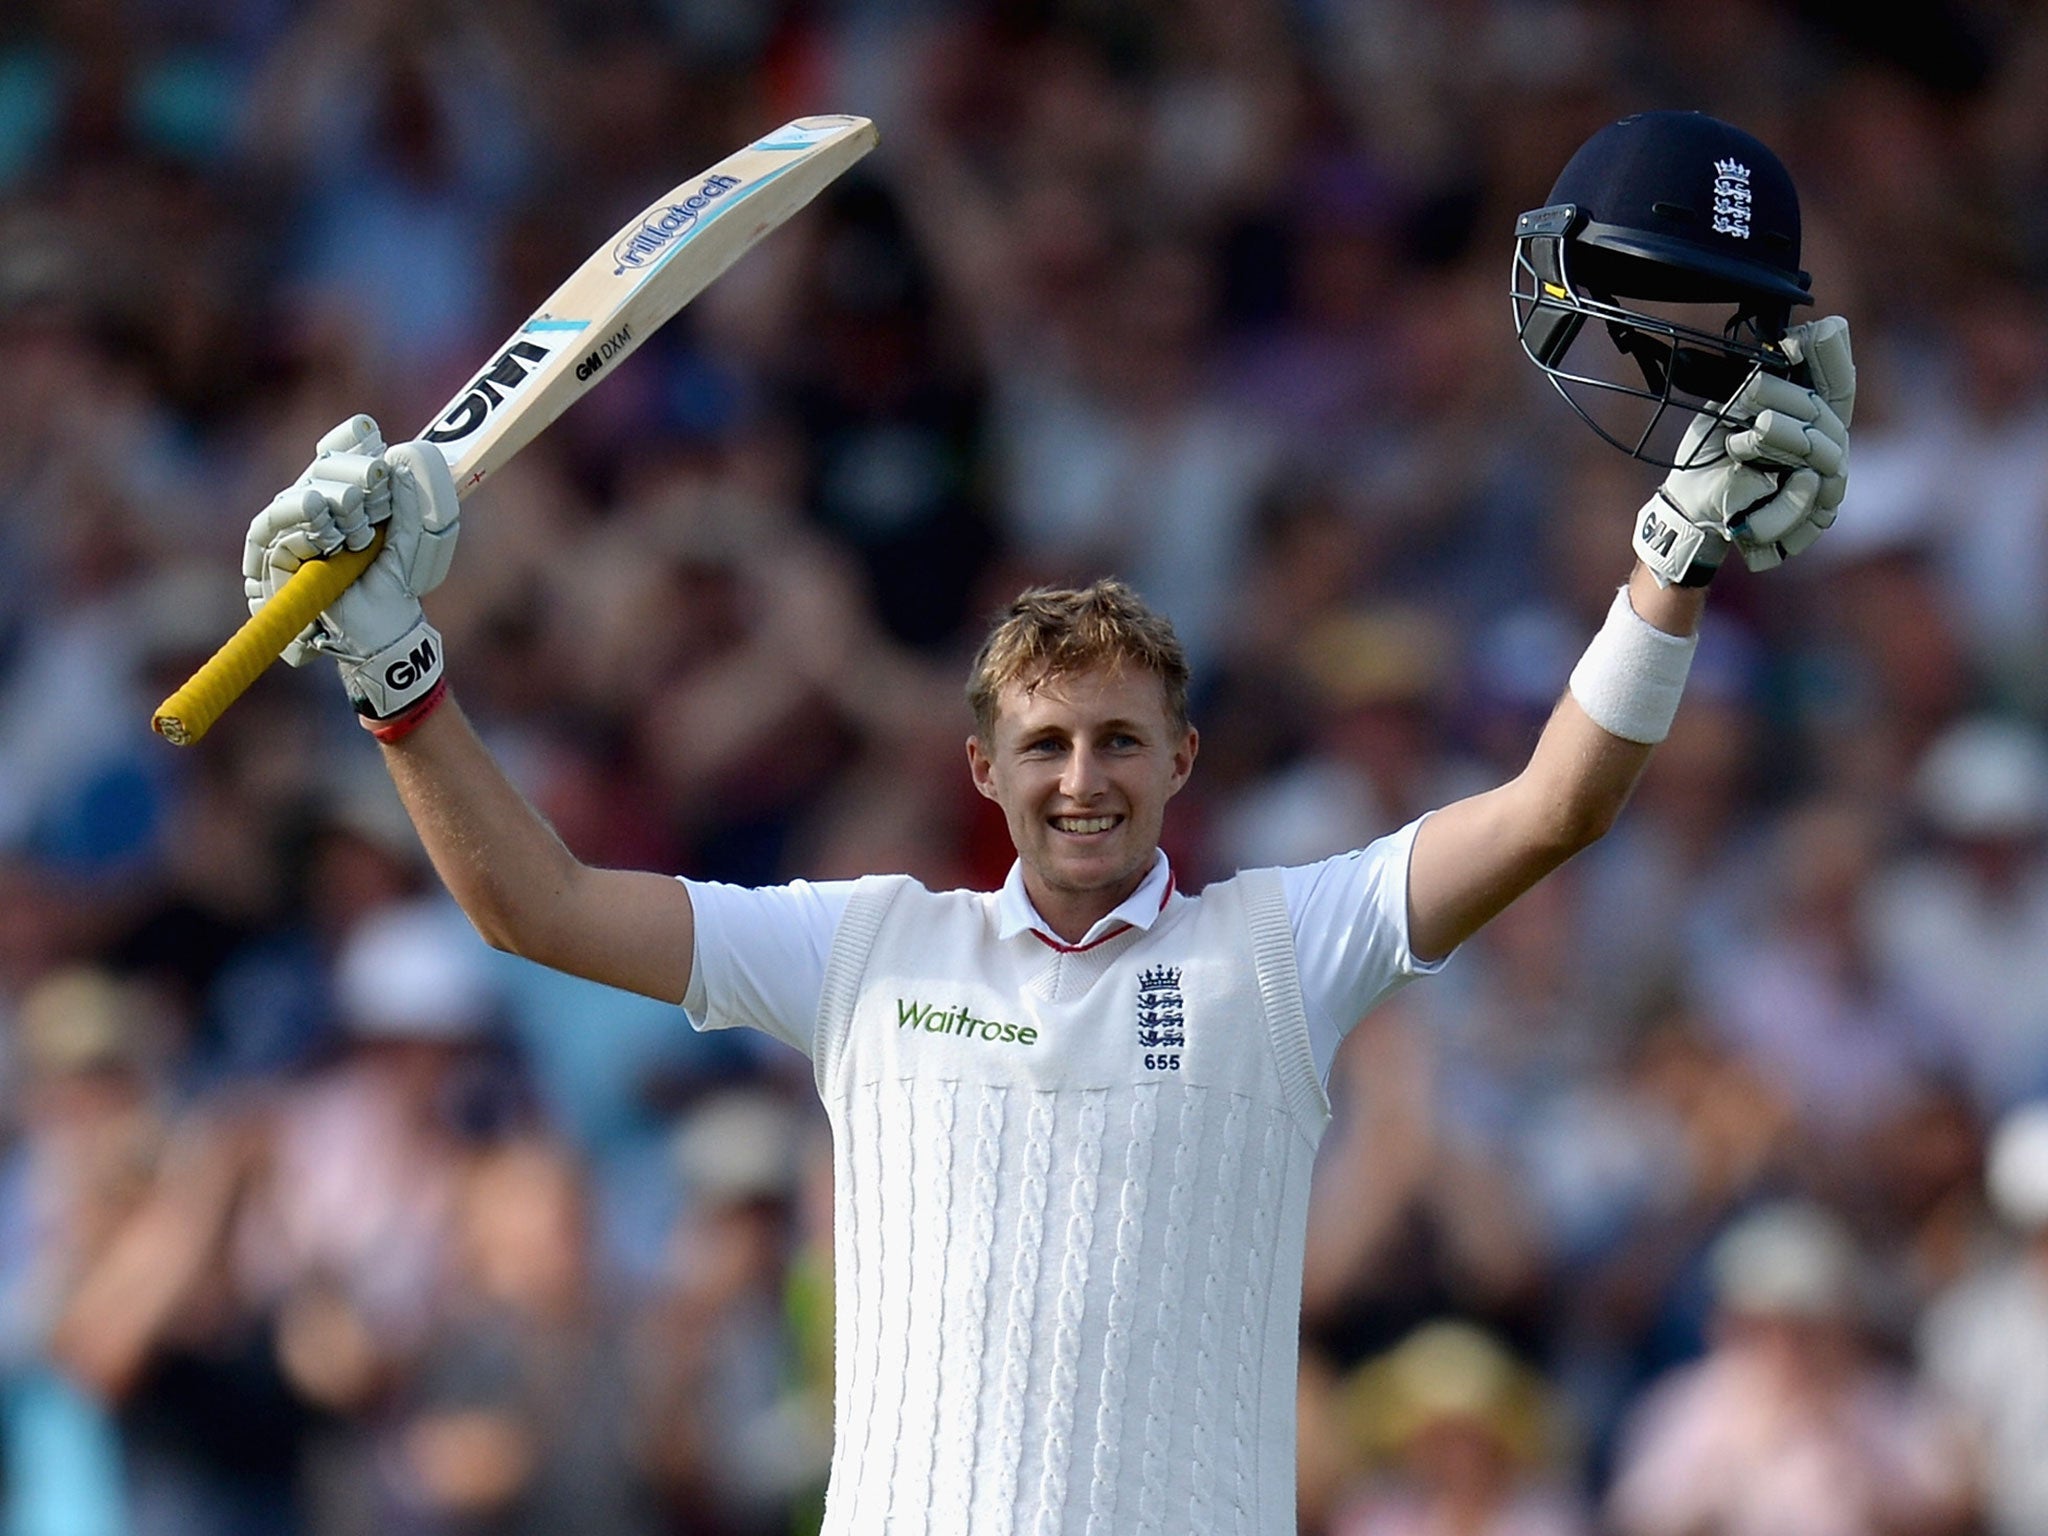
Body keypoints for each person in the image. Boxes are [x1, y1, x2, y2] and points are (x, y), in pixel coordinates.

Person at [236, 111, 1855, 1536]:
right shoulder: (868, 945)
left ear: (1183, 762)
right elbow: (539, 908)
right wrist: (393, 666)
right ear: (985, 772)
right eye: (1049, 745)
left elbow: (1560, 804)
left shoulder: (1282, 949)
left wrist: (1669, 574)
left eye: (1121, 743)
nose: (1084, 776)